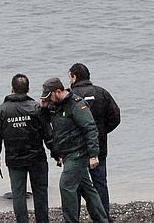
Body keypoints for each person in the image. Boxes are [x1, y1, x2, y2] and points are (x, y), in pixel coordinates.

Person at [40, 77, 108, 223]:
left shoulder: (77, 105)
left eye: (49, 97)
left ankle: (70, 220)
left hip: (77, 153)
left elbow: (90, 129)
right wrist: (43, 104)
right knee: (87, 189)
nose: (48, 100)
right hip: (66, 153)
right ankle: (102, 219)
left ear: (58, 91)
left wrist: (94, 155)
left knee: (66, 186)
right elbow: (46, 119)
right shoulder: (55, 106)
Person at [0, 74, 51, 223]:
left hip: (14, 159)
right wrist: (56, 152)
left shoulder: (2, 110)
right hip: (37, 158)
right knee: (40, 192)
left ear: (12, 89)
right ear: (28, 89)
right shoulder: (36, 107)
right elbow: (47, 133)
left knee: (18, 194)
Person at [68, 63, 121, 221]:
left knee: (75, 184)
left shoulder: (70, 96)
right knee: (99, 183)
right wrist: (102, 132)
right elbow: (115, 117)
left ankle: (74, 217)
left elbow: (62, 123)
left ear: (74, 77)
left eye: (69, 76)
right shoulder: (101, 93)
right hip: (98, 146)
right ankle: (103, 216)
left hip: (75, 148)